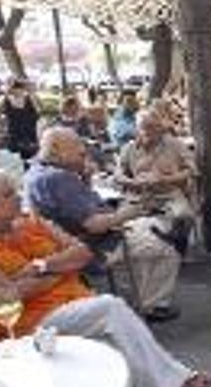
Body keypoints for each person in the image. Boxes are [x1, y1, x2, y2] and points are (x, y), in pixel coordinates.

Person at [0, 168, 211, 387]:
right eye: (8, 194)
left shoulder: (33, 221)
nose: (18, 197)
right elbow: (11, 294)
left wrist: (42, 267)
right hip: (25, 327)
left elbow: (84, 253)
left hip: (76, 308)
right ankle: (172, 379)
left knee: (112, 352)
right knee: (111, 308)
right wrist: (62, 268)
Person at [23, 128, 183, 323]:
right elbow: (94, 225)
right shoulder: (57, 178)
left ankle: (137, 296)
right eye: (77, 148)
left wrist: (85, 178)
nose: (83, 151)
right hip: (93, 245)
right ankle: (151, 306)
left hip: (71, 242)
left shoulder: (36, 170)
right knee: (167, 247)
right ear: (56, 150)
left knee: (155, 229)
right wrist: (131, 212)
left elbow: (78, 207)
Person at [116, 108, 196, 255]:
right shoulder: (129, 148)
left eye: (151, 127)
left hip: (168, 193)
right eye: (143, 127)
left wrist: (166, 179)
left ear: (160, 128)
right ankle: (131, 255)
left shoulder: (175, 144)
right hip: (138, 196)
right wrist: (132, 182)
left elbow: (191, 170)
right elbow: (118, 174)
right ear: (137, 128)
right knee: (116, 220)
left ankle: (178, 250)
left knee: (184, 216)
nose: (147, 131)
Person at [1, 79, 40, 158]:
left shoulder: (29, 99)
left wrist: (31, 92)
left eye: (20, 89)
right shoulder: (7, 101)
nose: (18, 91)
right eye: (15, 89)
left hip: (29, 134)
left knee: (30, 156)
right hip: (14, 135)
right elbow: (4, 115)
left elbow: (37, 113)